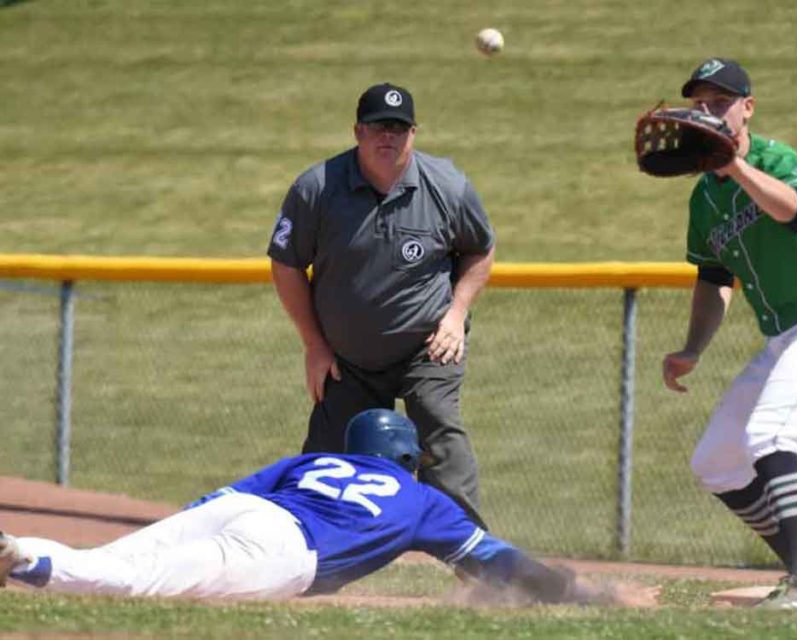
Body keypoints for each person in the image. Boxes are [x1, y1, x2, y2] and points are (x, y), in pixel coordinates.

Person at [0, 410, 658, 607]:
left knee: (118, 559)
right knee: (139, 585)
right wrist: (575, 592)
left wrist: (180, 529)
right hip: (284, 552)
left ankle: (24, 548)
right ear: (407, 458)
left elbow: (219, 500)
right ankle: (29, 566)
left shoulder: (312, 460)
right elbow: (495, 559)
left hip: (245, 512)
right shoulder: (424, 498)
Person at [660, 58, 797, 610]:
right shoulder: (703, 199)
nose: (708, 111)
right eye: (700, 103)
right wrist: (693, 348)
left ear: (748, 108)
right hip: (788, 336)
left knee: (774, 438)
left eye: (720, 102)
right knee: (716, 460)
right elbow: (714, 278)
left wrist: (735, 165)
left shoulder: (775, 159)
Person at [267, 82, 496, 527]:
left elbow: (480, 249)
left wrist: (456, 313)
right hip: (346, 356)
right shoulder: (317, 189)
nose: (387, 137)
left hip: (427, 345)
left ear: (414, 133)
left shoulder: (447, 186)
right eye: (377, 127)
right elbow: (287, 265)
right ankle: (304, 548)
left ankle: (472, 555)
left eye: (397, 127)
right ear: (357, 132)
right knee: (325, 462)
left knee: (440, 430)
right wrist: (314, 344)